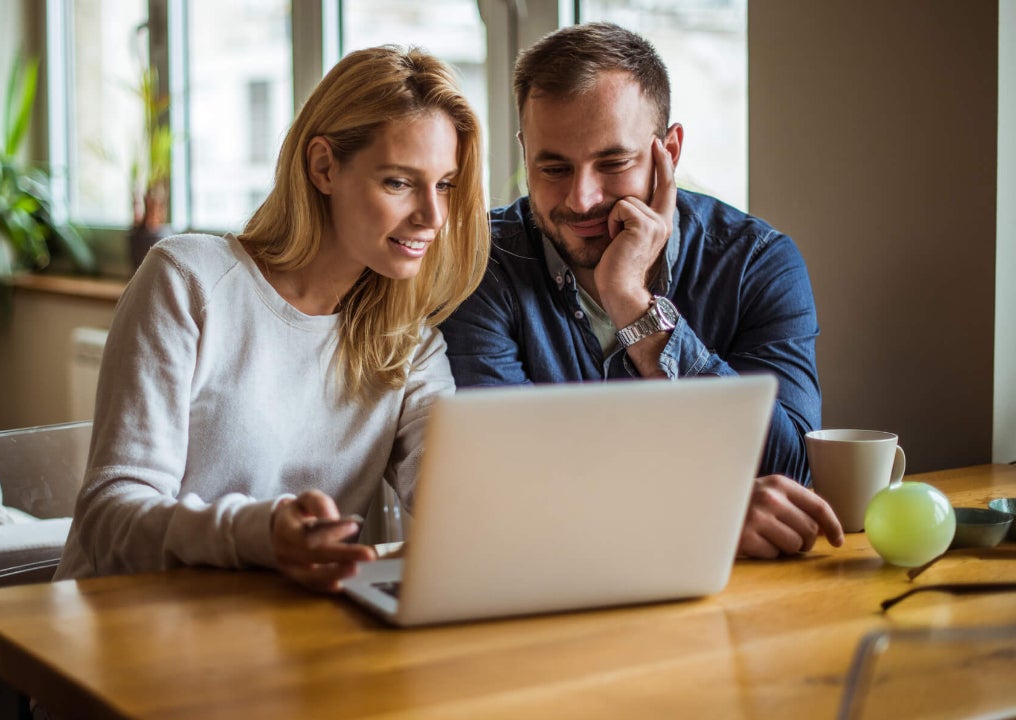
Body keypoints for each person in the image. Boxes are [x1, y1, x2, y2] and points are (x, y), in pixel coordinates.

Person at [54, 46, 489, 592]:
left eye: (445, 184)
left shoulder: (410, 342)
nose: (433, 216)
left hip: (281, 636)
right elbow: (108, 519)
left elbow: (449, 494)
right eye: (399, 183)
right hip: (124, 629)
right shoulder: (188, 282)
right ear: (324, 167)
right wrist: (259, 535)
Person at [439, 22, 843, 559]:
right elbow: (502, 483)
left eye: (613, 163)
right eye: (553, 167)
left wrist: (634, 304)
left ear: (668, 151)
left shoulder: (756, 263)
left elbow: (789, 471)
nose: (582, 199)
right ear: (524, 152)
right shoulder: (479, 264)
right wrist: (701, 511)